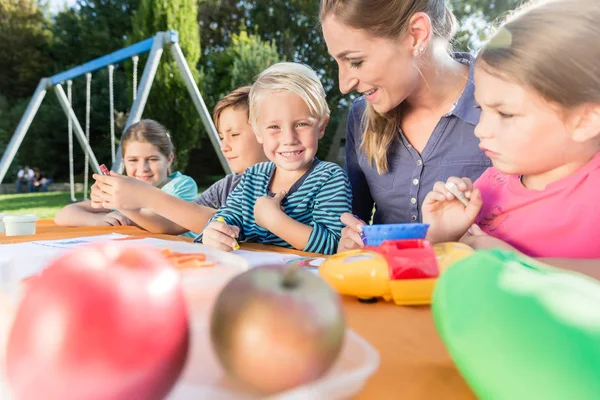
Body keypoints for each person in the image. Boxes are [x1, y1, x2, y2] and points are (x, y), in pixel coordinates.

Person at [422, 0, 600, 269]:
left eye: (505, 114)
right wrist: (442, 237)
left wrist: (519, 265)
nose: (480, 129)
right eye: (481, 109)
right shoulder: (489, 185)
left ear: (585, 120)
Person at [320, 0, 491, 252]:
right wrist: (350, 238)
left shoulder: (503, 105)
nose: (343, 84)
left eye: (355, 61)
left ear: (416, 34)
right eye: (338, 62)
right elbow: (354, 220)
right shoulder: (361, 117)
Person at [199, 62, 352, 255]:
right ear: (257, 132)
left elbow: (335, 245)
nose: (289, 139)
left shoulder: (330, 178)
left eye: (302, 124)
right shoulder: (253, 176)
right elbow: (226, 217)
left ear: (321, 126)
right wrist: (215, 232)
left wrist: (274, 220)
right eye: (274, 127)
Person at [89, 86, 268, 236]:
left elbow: (209, 220)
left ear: (266, 133)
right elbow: (170, 224)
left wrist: (145, 195)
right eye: (221, 137)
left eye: (234, 135)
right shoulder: (225, 187)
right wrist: (122, 202)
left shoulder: (289, 186)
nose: (223, 147)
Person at [55, 119, 198, 228]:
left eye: (152, 159)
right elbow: (63, 215)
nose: (143, 168)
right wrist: (97, 219)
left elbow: (164, 225)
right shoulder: (123, 191)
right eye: (133, 160)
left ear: (169, 159)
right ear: (124, 161)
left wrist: (122, 205)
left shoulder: (182, 186)